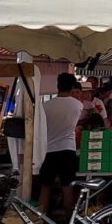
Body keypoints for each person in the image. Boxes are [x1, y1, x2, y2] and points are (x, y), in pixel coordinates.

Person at [38, 73, 85, 215]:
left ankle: (39, 221)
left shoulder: (45, 106)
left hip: (48, 150)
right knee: (67, 188)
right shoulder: (78, 105)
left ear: (58, 85)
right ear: (71, 87)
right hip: (68, 150)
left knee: (45, 187)